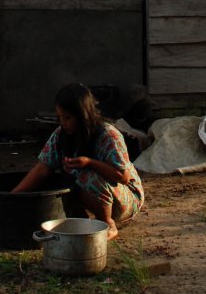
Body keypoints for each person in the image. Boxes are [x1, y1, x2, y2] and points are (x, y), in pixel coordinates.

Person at [12, 82, 143, 240]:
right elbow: (42, 169)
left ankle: (107, 224)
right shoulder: (61, 135)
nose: (63, 122)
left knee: (85, 176)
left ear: (82, 115)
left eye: (68, 118)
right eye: (60, 117)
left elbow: (123, 177)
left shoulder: (108, 135)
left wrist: (89, 162)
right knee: (59, 180)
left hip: (125, 198)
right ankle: (80, 220)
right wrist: (13, 196)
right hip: (96, 194)